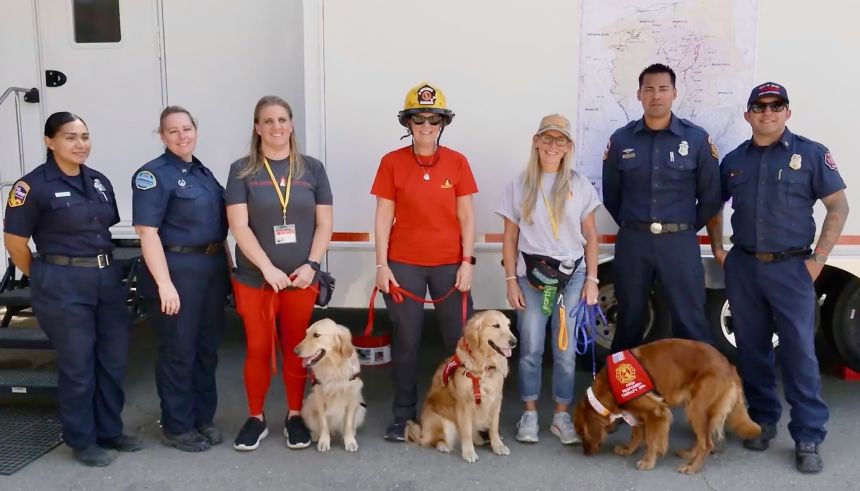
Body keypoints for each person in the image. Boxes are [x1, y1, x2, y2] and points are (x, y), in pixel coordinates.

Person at [706, 82, 849, 473]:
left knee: (800, 352)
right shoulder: (735, 160)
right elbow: (714, 206)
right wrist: (720, 249)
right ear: (748, 114)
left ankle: (807, 435)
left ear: (787, 112)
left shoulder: (811, 154)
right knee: (752, 350)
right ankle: (763, 420)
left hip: (792, 268)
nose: (767, 112)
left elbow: (838, 206)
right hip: (745, 267)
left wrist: (819, 259)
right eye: (759, 106)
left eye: (776, 105)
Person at [3, 112, 143, 466]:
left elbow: (104, 227)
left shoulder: (97, 181)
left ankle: (110, 430)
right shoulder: (31, 187)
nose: (80, 144)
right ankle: (82, 440)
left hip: (105, 278)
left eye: (84, 136)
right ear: (50, 142)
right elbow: (15, 242)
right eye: (70, 137)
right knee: (78, 365)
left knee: (112, 361)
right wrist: (41, 273)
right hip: (62, 282)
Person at [371, 81, 477, 441]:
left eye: (434, 121)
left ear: (443, 123)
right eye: (419, 121)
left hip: (450, 265)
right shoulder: (391, 162)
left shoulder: (458, 162)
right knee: (407, 342)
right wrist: (381, 265)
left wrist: (467, 262)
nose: (426, 128)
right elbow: (383, 217)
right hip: (404, 265)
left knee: (458, 342)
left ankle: (462, 413)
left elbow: (467, 217)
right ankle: (403, 416)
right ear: (408, 124)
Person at [225, 95, 333, 451]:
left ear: (291, 124)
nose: (276, 127)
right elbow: (239, 226)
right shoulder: (242, 170)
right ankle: (255, 417)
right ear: (257, 128)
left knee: (296, 347)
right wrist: (267, 268)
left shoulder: (312, 169)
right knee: (258, 347)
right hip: (256, 279)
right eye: (268, 121)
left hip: (301, 279)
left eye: (282, 119)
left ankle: (294, 414)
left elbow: (324, 223)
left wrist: (312, 265)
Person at [602, 63, 721, 352]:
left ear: (675, 93)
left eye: (663, 89)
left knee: (690, 320)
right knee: (628, 319)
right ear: (639, 94)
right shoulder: (621, 140)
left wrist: (684, 225)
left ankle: (699, 391)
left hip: (679, 241)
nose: (656, 95)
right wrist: (635, 224)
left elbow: (711, 196)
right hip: (634, 241)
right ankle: (623, 393)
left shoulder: (695, 139)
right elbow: (611, 195)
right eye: (649, 89)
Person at [496, 114, 600, 445]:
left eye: (560, 140)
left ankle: (560, 415)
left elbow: (591, 236)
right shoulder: (519, 185)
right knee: (530, 347)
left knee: (565, 350)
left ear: (568, 146)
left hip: (571, 277)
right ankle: (528, 413)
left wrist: (593, 279)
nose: (553, 145)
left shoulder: (580, 185)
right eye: (548, 138)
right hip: (533, 276)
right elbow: (509, 237)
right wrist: (511, 279)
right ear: (536, 141)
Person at [132, 106, 231, 452]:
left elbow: (218, 231)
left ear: (196, 131)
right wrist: (164, 284)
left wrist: (229, 273)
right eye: (172, 131)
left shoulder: (203, 174)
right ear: (162, 136)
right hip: (177, 271)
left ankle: (203, 417)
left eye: (186, 128)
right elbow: (147, 232)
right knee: (178, 350)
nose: (181, 135)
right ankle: (176, 425)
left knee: (206, 350)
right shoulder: (153, 175)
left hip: (212, 269)